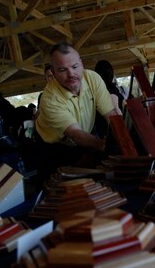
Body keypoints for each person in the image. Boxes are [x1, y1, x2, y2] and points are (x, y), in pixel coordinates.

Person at [35, 42, 120, 182]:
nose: (71, 74)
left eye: (74, 67)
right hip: (53, 147)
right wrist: (102, 145)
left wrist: (122, 137)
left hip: (81, 139)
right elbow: (75, 133)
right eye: (62, 70)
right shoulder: (49, 99)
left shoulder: (93, 78)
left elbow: (111, 113)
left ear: (81, 64)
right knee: (59, 190)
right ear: (53, 73)